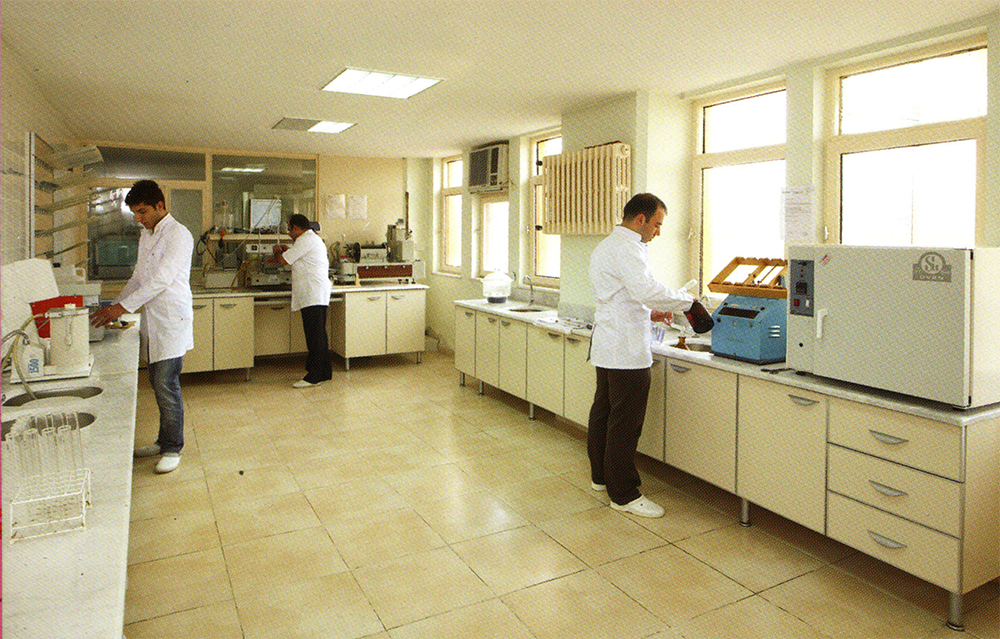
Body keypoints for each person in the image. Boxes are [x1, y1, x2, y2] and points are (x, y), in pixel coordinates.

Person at [587, 192, 695, 518]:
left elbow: (621, 297)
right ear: (641, 219)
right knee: (625, 423)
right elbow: (646, 290)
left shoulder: (608, 245)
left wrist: (650, 313)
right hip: (625, 350)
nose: (657, 232)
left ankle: (601, 477)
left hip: (609, 344)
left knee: (604, 413)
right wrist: (688, 302)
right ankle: (624, 494)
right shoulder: (628, 248)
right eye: (657, 225)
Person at [91, 179, 193, 474]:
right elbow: (138, 278)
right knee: (158, 384)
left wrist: (122, 308)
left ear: (160, 205)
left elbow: (161, 280)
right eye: (135, 212)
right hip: (153, 320)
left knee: (166, 385)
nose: (138, 218)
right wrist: (114, 306)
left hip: (171, 320)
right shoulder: (147, 235)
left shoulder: (179, 234)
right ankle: (163, 441)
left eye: (143, 211)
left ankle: (173, 447)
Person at [273, 214, 332, 387]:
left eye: (290, 230)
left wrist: (277, 250)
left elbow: (283, 260)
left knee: (315, 336)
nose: (289, 233)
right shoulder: (309, 239)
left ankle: (314, 376)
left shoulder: (305, 240)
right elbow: (296, 255)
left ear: (297, 228)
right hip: (315, 293)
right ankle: (324, 372)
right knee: (319, 334)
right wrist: (287, 249)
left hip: (313, 293)